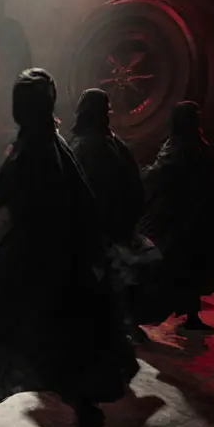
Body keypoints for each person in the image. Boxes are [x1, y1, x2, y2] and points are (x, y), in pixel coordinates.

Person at [0, 69, 139, 427]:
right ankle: (84, 408)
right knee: (56, 333)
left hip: (26, 259)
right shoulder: (55, 140)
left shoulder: (33, 146)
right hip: (60, 261)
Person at [137, 101, 214, 334]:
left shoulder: (183, 144)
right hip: (183, 220)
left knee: (184, 270)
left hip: (184, 219)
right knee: (178, 270)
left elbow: (159, 175)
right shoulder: (187, 145)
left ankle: (186, 315)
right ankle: (158, 316)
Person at [69, 89, 147, 340]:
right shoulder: (115, 144)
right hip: (115, 227)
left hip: (91, 229)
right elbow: (135, 187)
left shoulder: (82, 146)